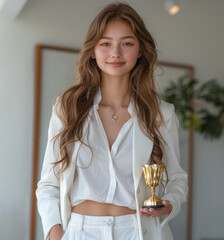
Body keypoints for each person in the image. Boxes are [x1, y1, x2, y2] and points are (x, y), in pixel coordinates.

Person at [36, 2, 188, 240]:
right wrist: (54, 231)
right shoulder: (67, 108)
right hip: (80, 231)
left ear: (140, 51)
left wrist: (169, 203)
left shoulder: (161, 113)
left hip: (138, 230)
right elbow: (48, 183)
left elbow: (177, 178)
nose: (115, 53)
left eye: (127, 43)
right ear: (93, 50)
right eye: (105, 43)